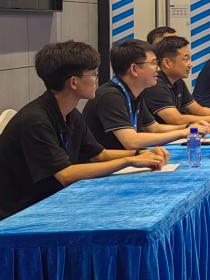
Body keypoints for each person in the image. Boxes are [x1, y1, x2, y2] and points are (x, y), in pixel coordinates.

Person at [0, 42, 168, 220]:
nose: (97, 79)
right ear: (74, 82)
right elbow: (65, 175)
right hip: (20, 214)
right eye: (93, 73)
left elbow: (98, 154)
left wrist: (139, 153)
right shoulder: (36, 121)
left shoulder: (70, 114)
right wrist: (129, 161)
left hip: (53, 201)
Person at [83, 40, 210, 150]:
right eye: (153, 63)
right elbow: (131, 141)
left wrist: (188, 127)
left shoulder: (136, 94)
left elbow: (154, 128)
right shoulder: (110, 96)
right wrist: (183, 133)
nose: (158, 68)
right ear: (134, 69)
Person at [142, 36, 210, 126]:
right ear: (167, 63)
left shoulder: (178, 81)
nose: (190, 64)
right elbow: (176, 119)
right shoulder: (156, 84)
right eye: (186, 59)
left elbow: (198, 109)